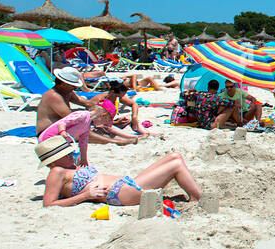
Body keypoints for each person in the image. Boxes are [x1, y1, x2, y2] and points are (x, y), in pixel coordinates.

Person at [36, 135, 201, 207]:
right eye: (67, 153)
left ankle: (196, 196)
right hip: (118, 194)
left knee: (175, 156)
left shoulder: (67, 167)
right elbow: (49, 204)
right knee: (176, 165)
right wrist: (85, 196)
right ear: (55, 159)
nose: (72, 154)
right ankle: (197, 198)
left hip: (125, 185)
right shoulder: (56, 171)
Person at [37, 66, 95, 164]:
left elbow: (84, 102)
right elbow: (71, 117)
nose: (75, 88)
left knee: (99, 128)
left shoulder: (66, 91)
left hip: (61, 130)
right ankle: (120, 140)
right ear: (64, 84)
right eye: (73, 85)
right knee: (94, 132)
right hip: (47, 136)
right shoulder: (54, 96)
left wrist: (100, 108)